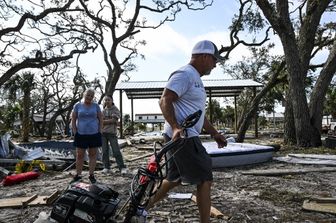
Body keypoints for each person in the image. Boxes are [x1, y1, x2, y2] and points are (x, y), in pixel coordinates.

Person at [146, 40, 227, 223]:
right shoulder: (185, 74)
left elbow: (198, 114)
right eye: (214, 60)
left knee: (173, 178)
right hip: (184, 137)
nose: (215, 65)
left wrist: (214, 133)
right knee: (205, 177)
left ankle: (141, 206)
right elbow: (165, 100)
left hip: (183, 136)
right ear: (205, 56)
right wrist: (175, 127)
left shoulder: (196, 79)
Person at [71, 88, 103, 184]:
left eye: (91, 96)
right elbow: (73, 119)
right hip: (81, 134)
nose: (89, 97)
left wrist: (100, 130)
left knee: (93, 155)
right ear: (84, 95)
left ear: (93, 97)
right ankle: (78, 175)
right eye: (88, 95)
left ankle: (91, 174)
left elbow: (101, 118)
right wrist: (75, 131)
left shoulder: (96, 106)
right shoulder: (77, 105)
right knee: (79, 155)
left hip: (94, 134)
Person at [101, 95, 128, 174]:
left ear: (112, 101)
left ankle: (122, 167)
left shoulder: (115, 109)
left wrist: (105, 121)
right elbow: (101, 121)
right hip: (103, 134)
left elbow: (114, 120)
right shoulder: (103, 111)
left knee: (116, 151)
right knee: (104, 151)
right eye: (105, 100)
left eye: (108, 100)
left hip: (112, 133)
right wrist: (108, 121)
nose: (107, 101)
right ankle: (106, 167)